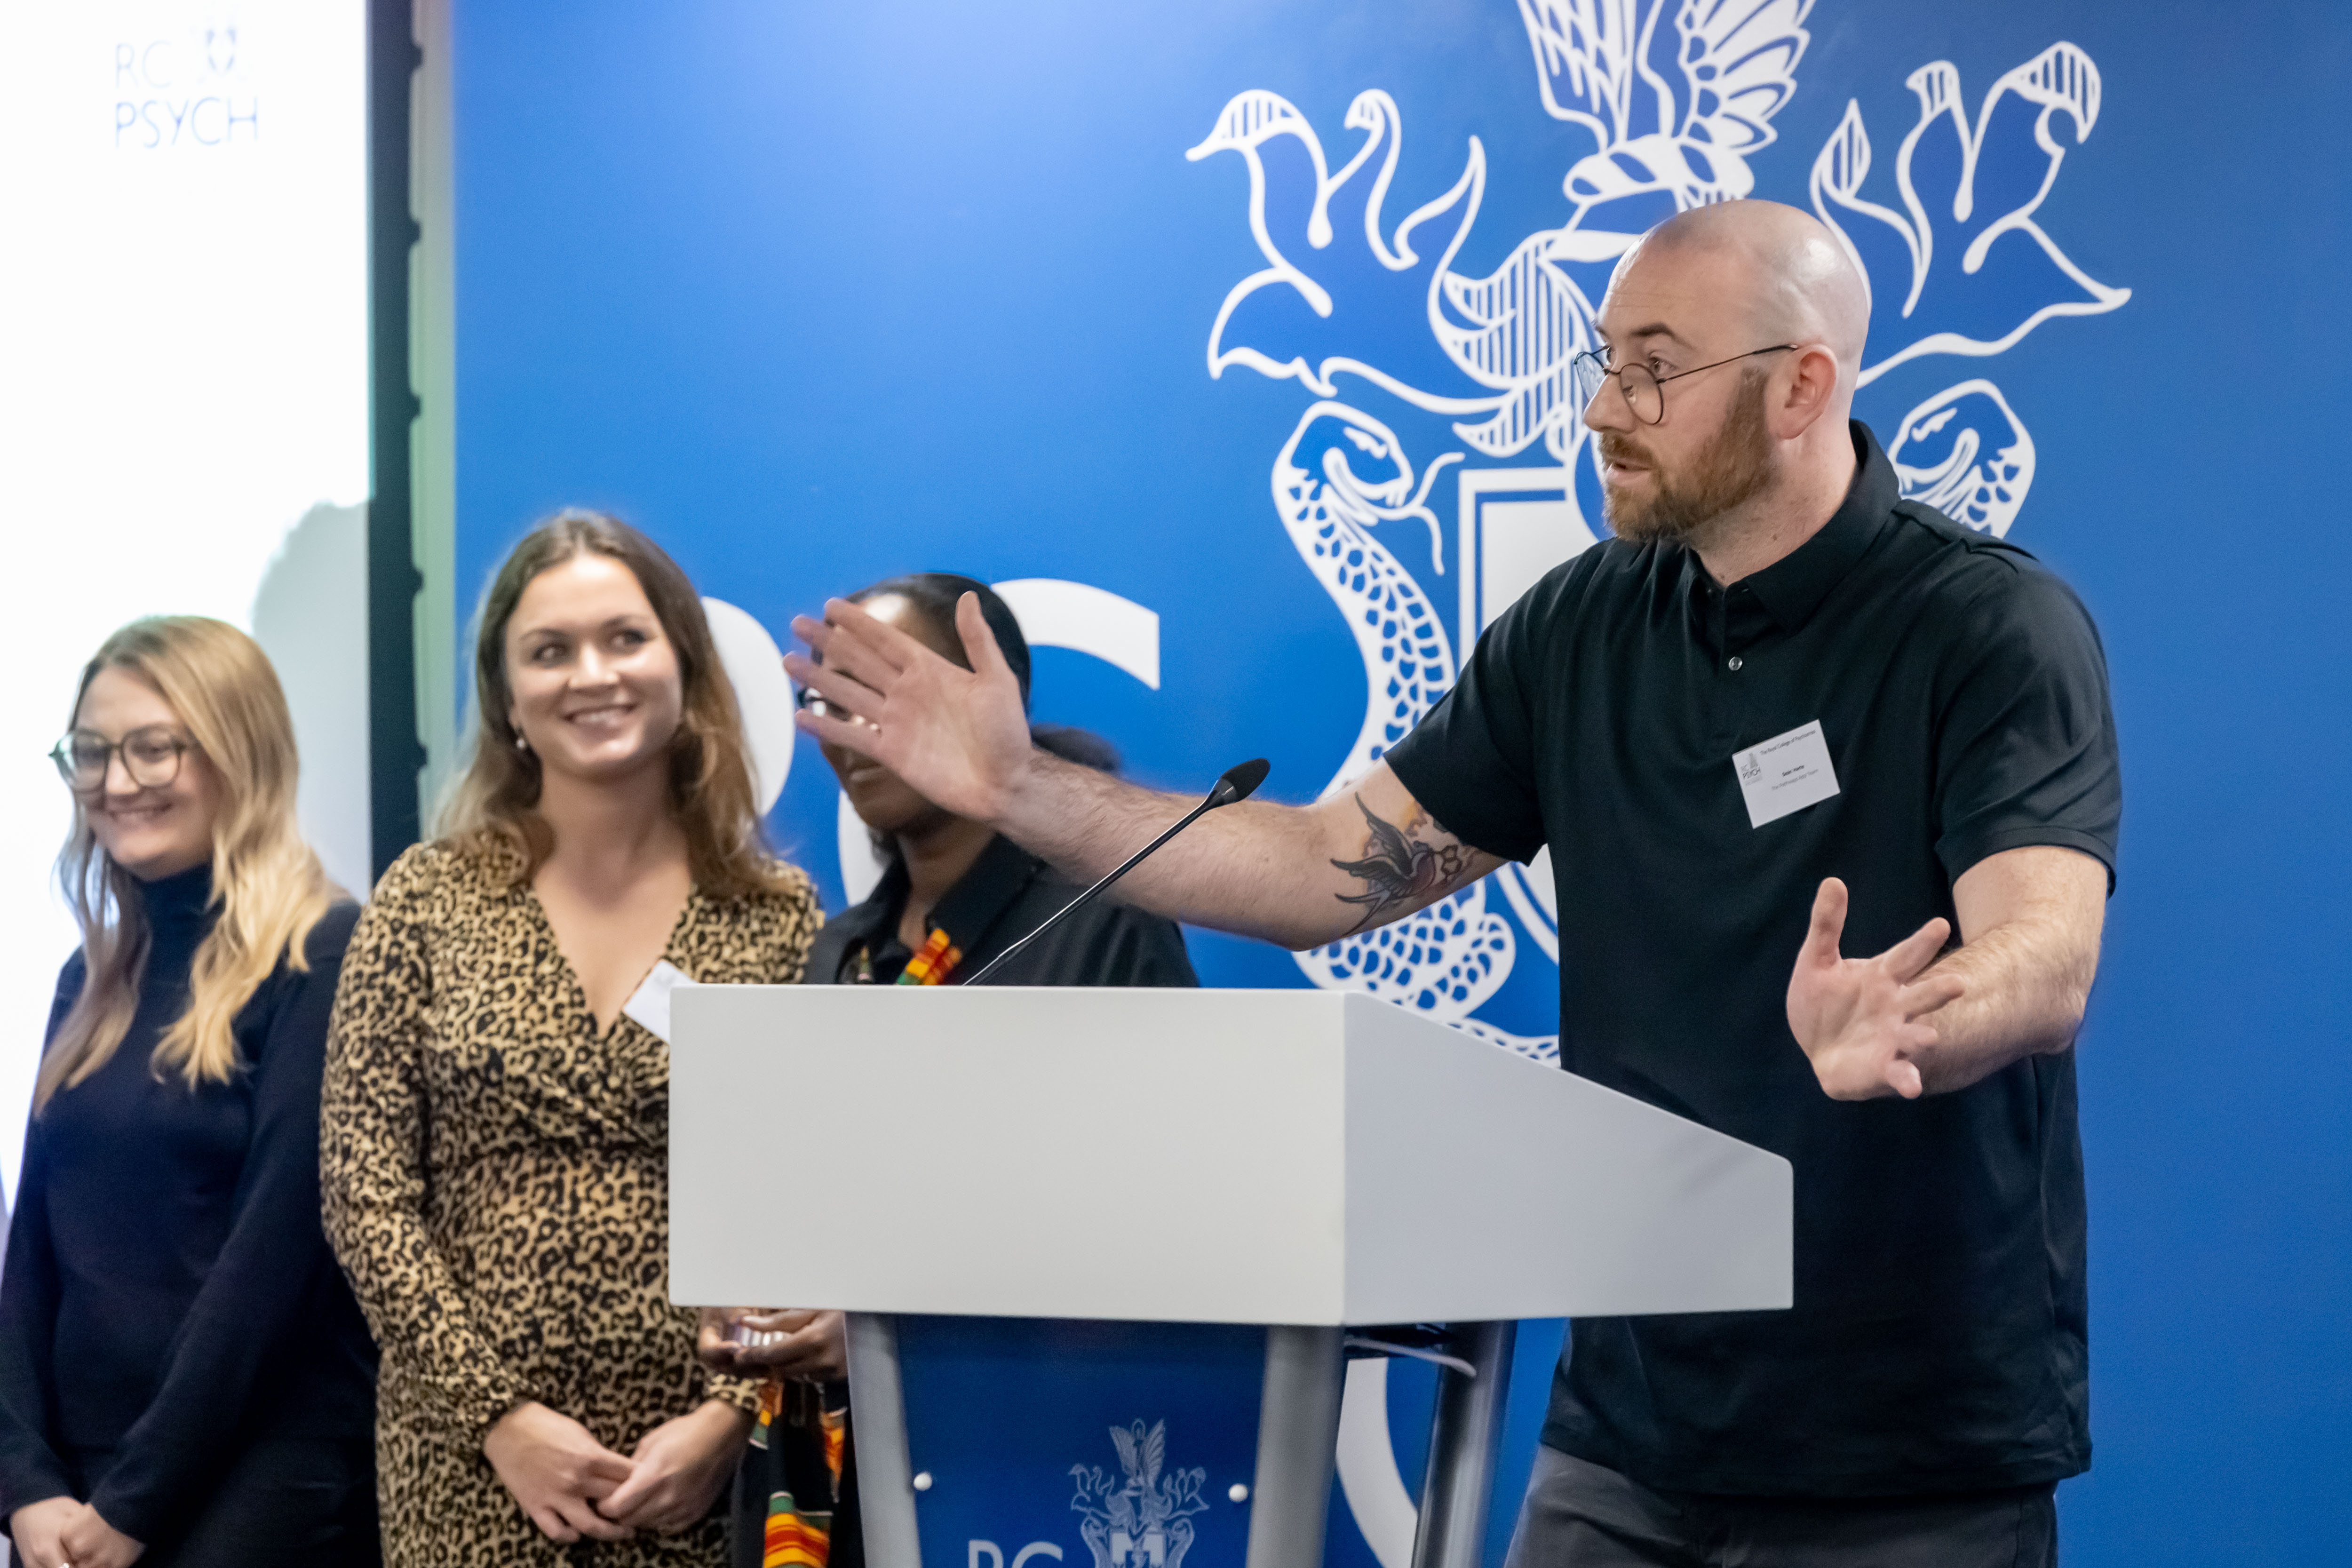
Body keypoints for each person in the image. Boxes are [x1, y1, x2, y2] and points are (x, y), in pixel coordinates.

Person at [783, 201, 2119, 1567]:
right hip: (1630, 1434)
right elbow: (1324, 870)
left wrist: (1918, 1021)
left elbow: (2046, 951)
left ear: (1802, 384)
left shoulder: (1985, 625)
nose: (1605, 405)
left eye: (1653, 366)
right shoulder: (1583, 624)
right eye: (1604, 357)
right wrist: (1019, 786)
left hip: (1909, 1455)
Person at [322, 511, 821, 1568]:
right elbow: (362, 1195)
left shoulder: (778, 920)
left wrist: (731, 1416)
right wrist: (500, 1417)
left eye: (625, 638)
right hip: (467, 1461)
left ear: (685, 663)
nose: (592, 674)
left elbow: (808, 1213)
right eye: (550, 650)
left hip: (688, 1479)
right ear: (508, 698)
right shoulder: (427, 898)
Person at [698, 573, 1195, 1568]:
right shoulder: (840, 953)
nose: (850, 723)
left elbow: (1155, 1232)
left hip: (1028, 1485)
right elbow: (803, 1216)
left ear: (992, 698)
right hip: (831, 1491)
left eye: (886, 688)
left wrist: (895, 1325)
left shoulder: (1104, 923)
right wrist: (753, 1311)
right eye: (830, 699)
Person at [0, 617, 379, 1568]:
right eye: (90, 752)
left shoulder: (324, 953)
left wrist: (132, 1503)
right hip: (80, 1486)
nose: (117, 782)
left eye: (153, 747)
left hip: (260, 1475)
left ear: (238, 749)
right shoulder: (88, 979)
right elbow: (34, 1253)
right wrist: (24, 1482)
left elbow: (272, 1261)